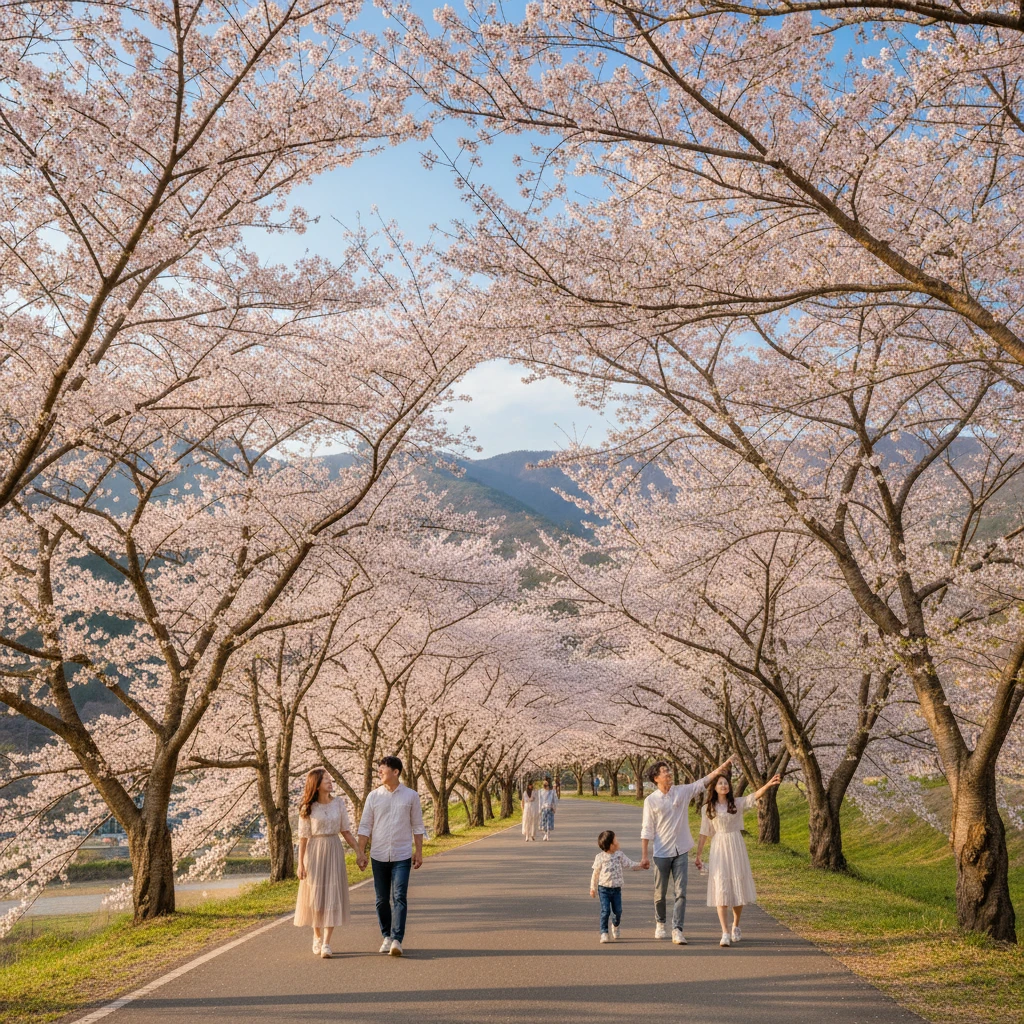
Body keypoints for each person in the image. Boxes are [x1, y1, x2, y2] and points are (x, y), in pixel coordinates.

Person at [639, 755, 733, 945]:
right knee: (660, 893)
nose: (669, 774)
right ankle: (660, 923)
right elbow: (647, 828)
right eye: (665, 772)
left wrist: (721, 768)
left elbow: (702, 783)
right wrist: (644, 856)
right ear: (656, 778)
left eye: (668, 771)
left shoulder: (681, 792)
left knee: (681, 892)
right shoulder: (651, 801)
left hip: (681, 850)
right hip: (661, 853)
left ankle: (677, 929)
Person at [695, 771, 782, 947]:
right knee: (721, 887)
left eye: (726, 783)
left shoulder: (736, 803)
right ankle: (724, 932)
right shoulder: (708, 808)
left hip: (735, 845)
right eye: (720, 783)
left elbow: (753, 796)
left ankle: (736, 925)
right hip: (719, 847)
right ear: (714, 787)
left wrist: (768, 784)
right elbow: (704, 832)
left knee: (736, 888)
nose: (723, 786)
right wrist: (698, 854)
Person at [357, 755, 425, 957]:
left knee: (399, 896)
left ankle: (397, 939)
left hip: (402, 854)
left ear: (395, 772)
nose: (379, 773)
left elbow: (417, 825)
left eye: (383, 769)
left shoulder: (411, 796)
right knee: (381, 899)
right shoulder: (373, 796)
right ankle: (386, 935)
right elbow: (365, 826)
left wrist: (419, 851)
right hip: (378, 854)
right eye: (378, 770)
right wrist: (361, 852)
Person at [294, 767, 364, 959]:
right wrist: (300, 864)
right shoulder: (307, 807)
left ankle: (327, 942)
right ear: (316, 784)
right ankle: (316, 936)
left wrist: (359, 852)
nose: (330, 782)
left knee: (332, 896)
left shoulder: (339, 803)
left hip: (334, 849)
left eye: (330, 779)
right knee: (316, 897)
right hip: (314, 852)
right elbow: (303, 838)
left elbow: (346, 831)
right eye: (326, 779)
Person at [589, 829, 646, 943]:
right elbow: (595, 874)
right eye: (616, 840)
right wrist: (593, 888)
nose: (618, 842)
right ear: (610, 845)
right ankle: (604, 932)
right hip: (603, 889)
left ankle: (615, 925)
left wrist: (641, 865)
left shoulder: (619, 855)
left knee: (618, 911)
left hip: (616, 890)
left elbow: (630, 864)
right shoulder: (599, 857)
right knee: (605, 911)